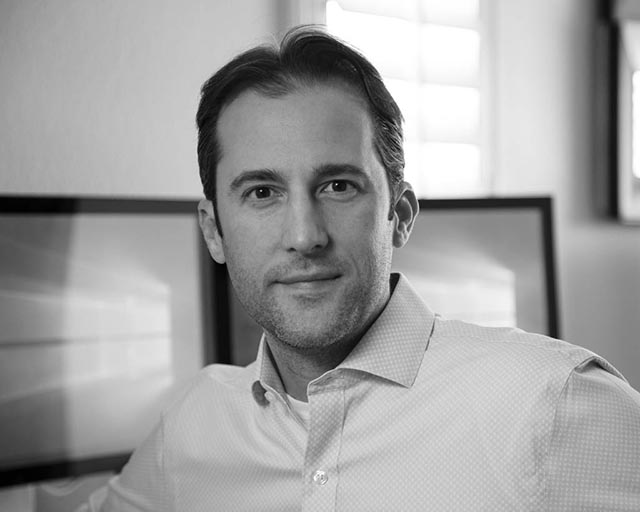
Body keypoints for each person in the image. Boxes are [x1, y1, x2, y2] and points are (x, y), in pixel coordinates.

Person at [84, 25, 640, 511]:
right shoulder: (194, 427)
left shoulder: (558, 403)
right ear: (214, 231)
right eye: (262, 192)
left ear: (399, 215)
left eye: (338, 186)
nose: (304, 236)